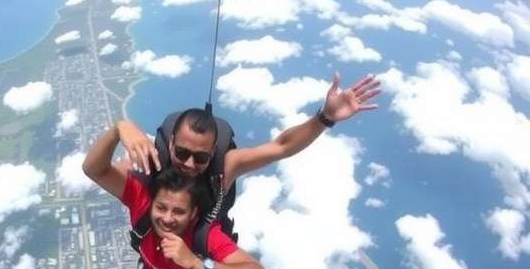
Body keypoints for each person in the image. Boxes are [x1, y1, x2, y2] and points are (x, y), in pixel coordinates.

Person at [82, 128, 273, 269]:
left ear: (193, 214)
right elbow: (93, 169)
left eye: (179, 212)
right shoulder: (141, 205)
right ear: (151, 203)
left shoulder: (205, 236)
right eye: (161, 207)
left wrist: (197, 263)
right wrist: (118, 130)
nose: (167, 218)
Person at [114, 72, 380, 184]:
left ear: (213, 153)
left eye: (201, 157)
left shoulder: (225, 167)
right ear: (171, 144)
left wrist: (324, 118)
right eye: (182, 153)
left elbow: (282, 147)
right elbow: (99, 170)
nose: (190, 163)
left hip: (205, 264)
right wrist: (122, 127)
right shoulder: (151, 163)